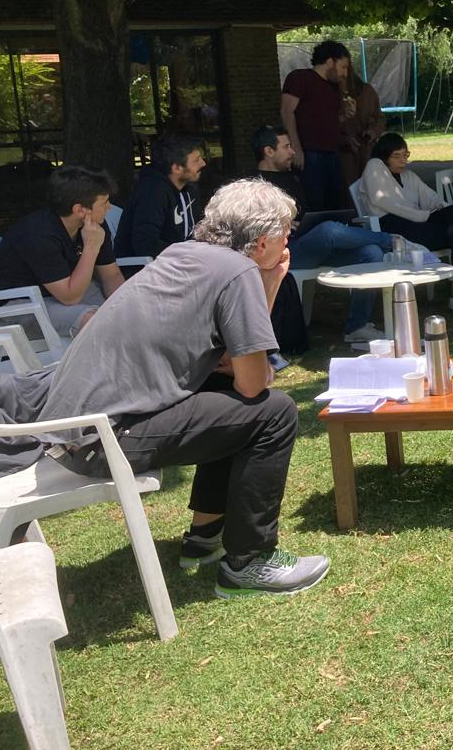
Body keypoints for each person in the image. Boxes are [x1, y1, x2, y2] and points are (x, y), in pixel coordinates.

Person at [38, 179, 330, 599]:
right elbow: (254, 383)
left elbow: (233, 361)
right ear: (263, 241)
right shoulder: (238, 270)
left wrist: (268, 283)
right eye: (287, 232)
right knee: (274, 412)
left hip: (71, 431)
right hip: (99, 440)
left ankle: (204, 537)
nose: (289, 241)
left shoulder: (182, 253)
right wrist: (269, 281)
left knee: (225, 391)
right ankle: (249, 562)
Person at [255, 125, 432, 344]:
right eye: (287, 147)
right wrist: (282, 225)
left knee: (371, 253)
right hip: (286, 252)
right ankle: (393, 240)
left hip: (311, 243)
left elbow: (305, 213)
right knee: (329, 229)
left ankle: (356, 328)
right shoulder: (254, 184)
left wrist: (306, 221)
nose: (293, 152)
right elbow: (252, 227)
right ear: (268, 151)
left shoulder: (293, 178)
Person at [0, 166, 125, 339]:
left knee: (122, 315)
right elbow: (69, 297)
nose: (109, 207)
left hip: (61, 293)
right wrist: (91, 248)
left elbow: (111, 275)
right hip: (13, 307)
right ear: (80, 210)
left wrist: (127, 305)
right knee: (93, 320)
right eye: (104, 202)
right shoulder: (37, 235)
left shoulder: (94, 225)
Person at [359, 133, 453, 317]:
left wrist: (447, 212)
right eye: (396, 156)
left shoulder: (409, 176)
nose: (403, 160)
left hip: (417, 222)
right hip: (392, 228)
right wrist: (422, 215)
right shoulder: (374, 166)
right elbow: (382, 201)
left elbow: (431, 198)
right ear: (384, 156)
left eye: (405, 155)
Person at [280, 40, 352, 211]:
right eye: (343, 67)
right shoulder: (300, 78)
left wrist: (345, 116)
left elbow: (326, 120)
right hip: (310, 152)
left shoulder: (333, 88)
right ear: (330, 61)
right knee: (313, 202)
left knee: (334, 203)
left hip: (332, 153)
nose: (345, 73)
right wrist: (296, 147)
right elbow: (286, 111)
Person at [114, 133, 205, 260]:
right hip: (146, 267)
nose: (203, 163)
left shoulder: (189, 190)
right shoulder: (151, 193)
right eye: (196, 160)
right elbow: (145, 244)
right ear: (176, 168)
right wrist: (188, 255)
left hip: (181, 262)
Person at [338, 68, 385, 190]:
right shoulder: (331, 94)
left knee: (372, 188)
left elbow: (379, 119)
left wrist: (372, 132)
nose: (343, 76)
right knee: (349, 191)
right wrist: (343, 139)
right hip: (345, 156)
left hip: (367, 151)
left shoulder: (367, 91)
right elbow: (326, 125)